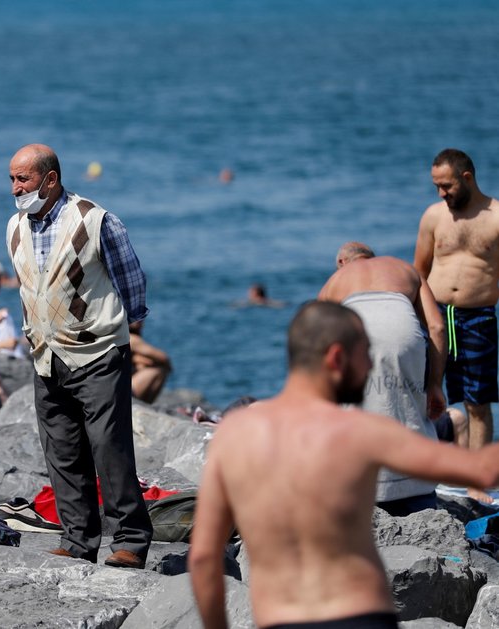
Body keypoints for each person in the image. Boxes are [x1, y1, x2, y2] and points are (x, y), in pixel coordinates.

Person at [188, 301, 499, 629]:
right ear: (337, 357)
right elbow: (483, 471)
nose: (369, 366)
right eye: (366, 353)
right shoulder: (360, 432)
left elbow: (204, 557)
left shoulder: (235, 436)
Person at [5, 143, 152, 569]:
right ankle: (78, 539)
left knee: (109, 446)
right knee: (62, 450)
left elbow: (132, 281)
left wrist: (121, 330)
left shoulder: (95, 220)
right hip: (45, 355)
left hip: (99, 352)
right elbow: (28, 286)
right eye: (12, 179)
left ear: (50, 179)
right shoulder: (14, 227)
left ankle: (130, 540)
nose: (16, 188)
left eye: (23, 179)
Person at [318, 241, 447, 516]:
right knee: (409, 406)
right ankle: (418, 495)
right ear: (371, 258)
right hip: (403, 330)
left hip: (356, 330)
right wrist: (435, 385)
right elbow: (436, 326)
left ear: (342, 262)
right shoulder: (404, 268)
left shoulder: (336, 279)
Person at [415, 148, 499, 459]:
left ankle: (477, 481)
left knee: (477, 402)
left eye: (447, 186)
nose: (441, 193)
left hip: (478, 318)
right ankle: (427, 467)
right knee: (425, 392)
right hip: (435, 315)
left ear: (467, 178)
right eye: (436, 186)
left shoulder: (497, 218)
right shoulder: (433, 216)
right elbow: (419, 272)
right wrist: (420, 317)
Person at [129, 320, 172, 404]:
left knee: (144, 366)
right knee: (159, 370)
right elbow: (163, 357)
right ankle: (143, 405)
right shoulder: (131, 339)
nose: (139, 320)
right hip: (124, 391)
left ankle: (141, 405)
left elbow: (137, 359)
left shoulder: (120, 338)